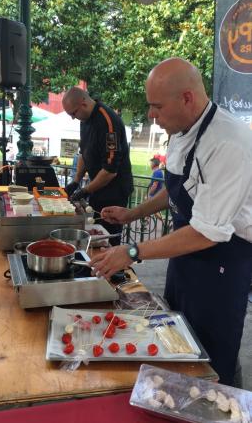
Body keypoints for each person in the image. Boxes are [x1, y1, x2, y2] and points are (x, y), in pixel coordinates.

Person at [90, 58, 252, 386]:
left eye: (156, 107)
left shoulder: (228, 143)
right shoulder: (180, 130)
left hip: (223, 261)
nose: (151, 115)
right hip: (185, 254)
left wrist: (133, 252)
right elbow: (175, 190)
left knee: (212, 356)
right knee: (177, 337)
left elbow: (208, 232)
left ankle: (225, 404)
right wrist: (131, 213)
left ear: (187, 98)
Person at [62, 87, 133, 245]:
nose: (73, 118)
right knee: (94, 233)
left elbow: (110, 171)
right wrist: (76, 181)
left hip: (115, 191)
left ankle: (113, 266)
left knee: (107, 238)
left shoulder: (108, 122)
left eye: (73, 113)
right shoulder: (84, 120)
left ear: (84, 103)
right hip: (98, 187)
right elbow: (83, 153)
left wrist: (85, 190)